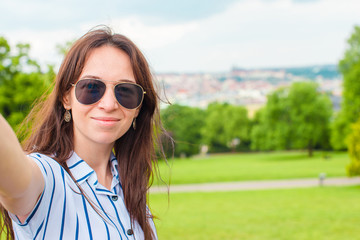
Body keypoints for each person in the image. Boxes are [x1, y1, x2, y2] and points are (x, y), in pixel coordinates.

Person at [0, 26, 166, 240]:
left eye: (125, 91)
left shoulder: (126, 182)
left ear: (139, 107)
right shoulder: (47, 177)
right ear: (66, 97)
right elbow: (14, 178)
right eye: (91, 87)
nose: (109, 104)